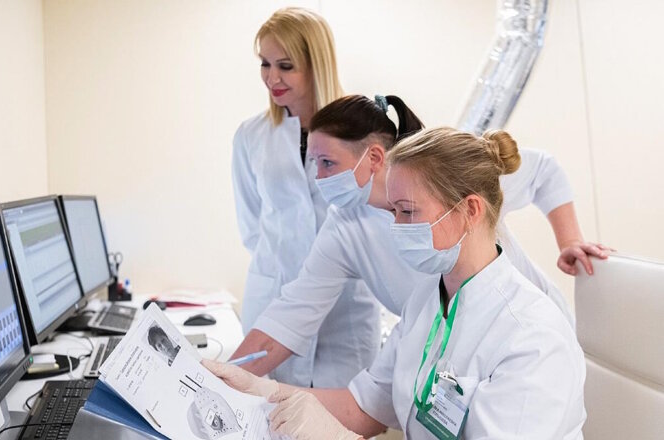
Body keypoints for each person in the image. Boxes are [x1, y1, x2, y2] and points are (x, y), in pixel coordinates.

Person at [206, 127, 587, 439]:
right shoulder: (428, 300)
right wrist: (261, 391)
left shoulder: (531, 338)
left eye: (407, 211)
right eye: (393, 211)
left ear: (470, 210)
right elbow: (365, 406)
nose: (396, 228)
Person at [231, 95, 609, 380]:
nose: (319, 179)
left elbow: (543, 171)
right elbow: (294, 312)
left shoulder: (446, 173)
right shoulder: (344, 226)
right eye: (315, 164)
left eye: (328, 163)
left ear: (374, 158)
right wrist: (223, 378)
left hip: (529, 341)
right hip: (457, 366)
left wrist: (569, 241)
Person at [232, 8, 381, 387]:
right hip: (272, 302)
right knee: (266, 409)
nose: (272, 78)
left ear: (317, 65)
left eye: (286, 65)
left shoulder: (364, 131)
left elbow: (379, 215)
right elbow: (252, 227)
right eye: (265, 64)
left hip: (343, 317)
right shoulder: (251, 135)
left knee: (341, 413)